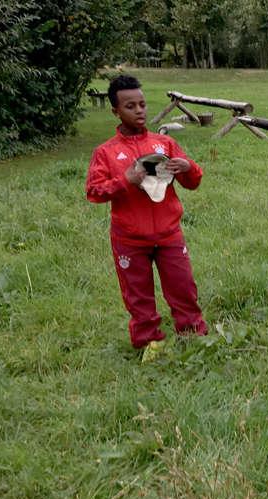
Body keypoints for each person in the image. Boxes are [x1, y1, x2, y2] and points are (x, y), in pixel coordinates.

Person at [86, 75, 208, 359]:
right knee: (138, 294)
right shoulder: (105, 152)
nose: (139, 110)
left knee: (183, 286)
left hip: (169, 233)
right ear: (115, 111)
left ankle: (192, 335)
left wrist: (187, 166)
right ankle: (148, 342)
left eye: (142, 104)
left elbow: (193, 182)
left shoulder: (164, 144)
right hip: (129, 238)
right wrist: (125, 179)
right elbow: (94, 191)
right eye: (130, 106)